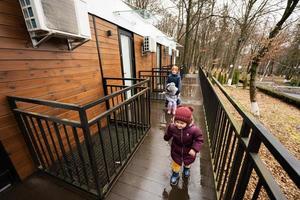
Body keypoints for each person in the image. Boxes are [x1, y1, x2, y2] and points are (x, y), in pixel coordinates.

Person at [163, 106, 204, 185]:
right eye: (177, 122)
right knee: (176, 164)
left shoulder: (194, 130)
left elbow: (199, 140)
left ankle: (186, 169)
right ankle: (175, 174)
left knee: (187, 163)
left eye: (182, 123)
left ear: (188, 122)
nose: (179, 125)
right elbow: (169, 133)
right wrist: (166, 137)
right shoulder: (172, 127)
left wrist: (194, 149)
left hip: (188, 151)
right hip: (176, 150)